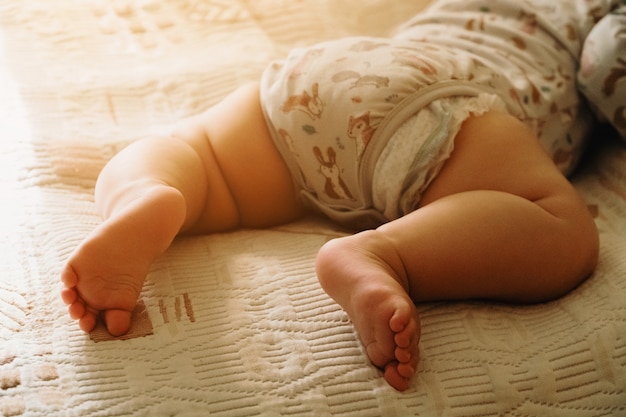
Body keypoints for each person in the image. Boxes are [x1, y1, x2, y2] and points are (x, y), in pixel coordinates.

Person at [62, 0, 625, 392]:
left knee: (196, 152)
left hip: (327, 75)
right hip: (452, 94)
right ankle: (385, 254)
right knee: (560, 228)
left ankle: (147, 192)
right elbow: (609, 65)